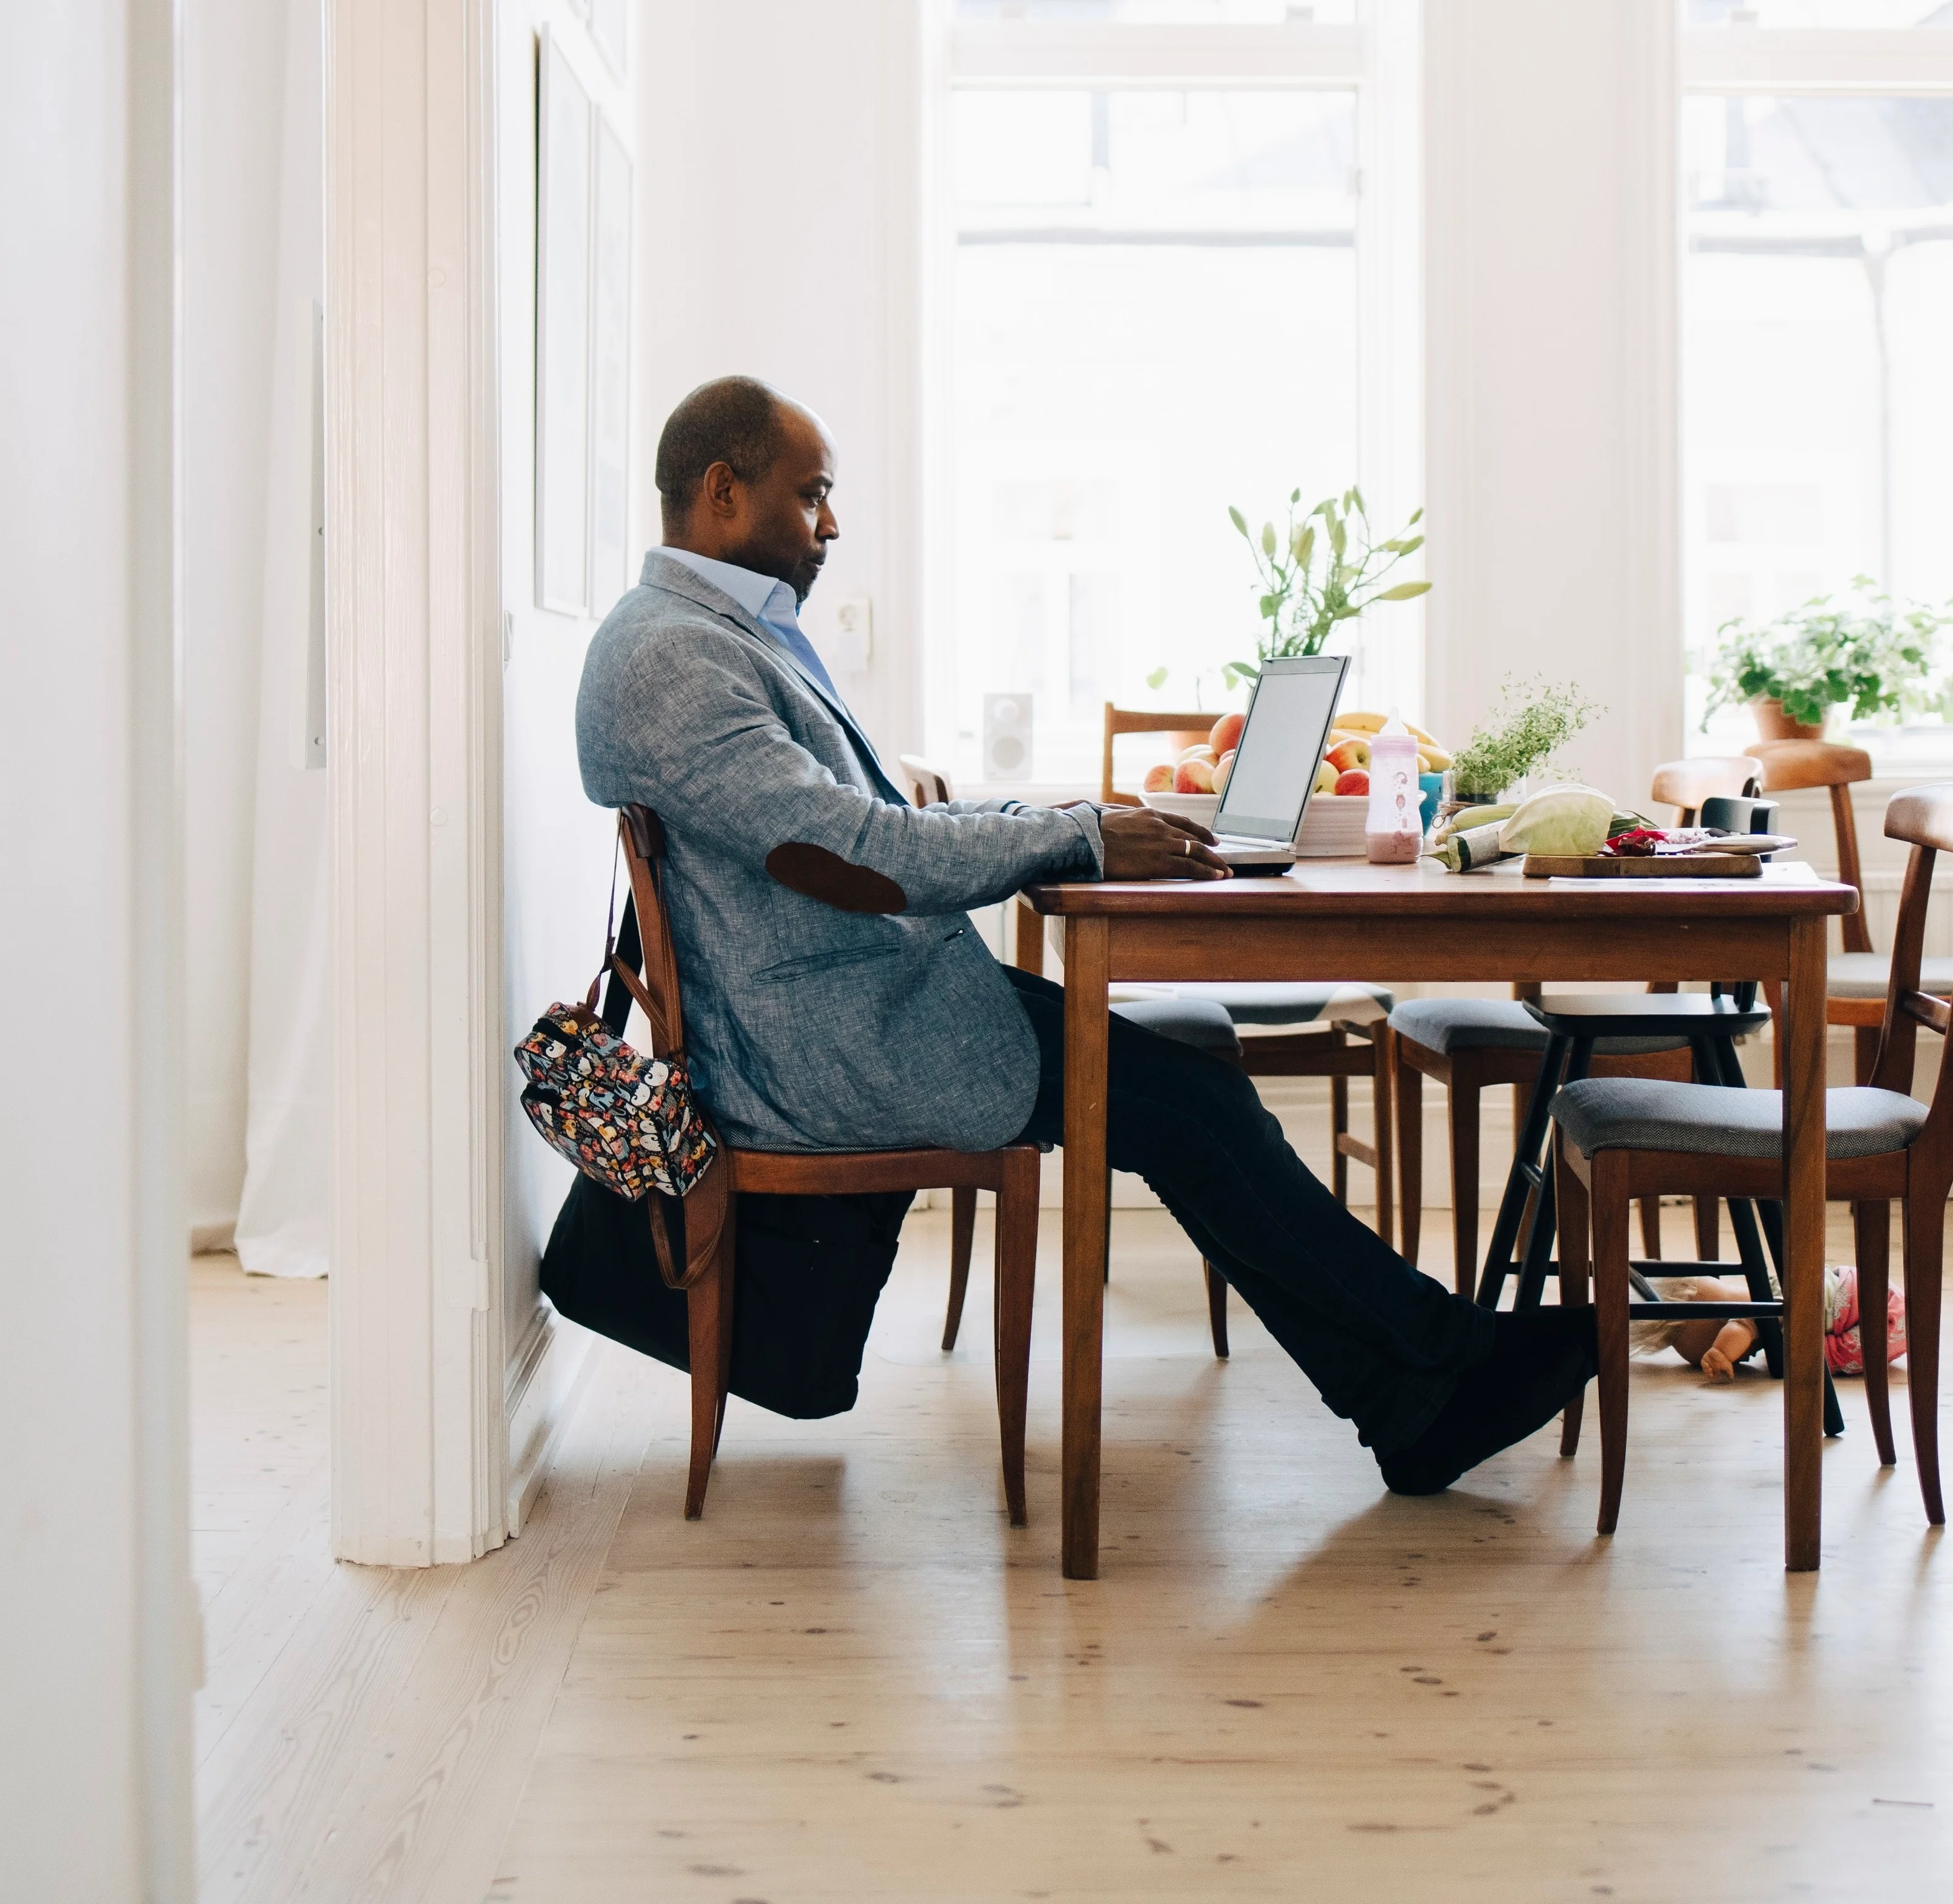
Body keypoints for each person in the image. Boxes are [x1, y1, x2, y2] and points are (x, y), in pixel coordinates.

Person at [574, 375, 1595, 1494]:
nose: (832, 526)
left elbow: (881, 832)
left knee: (1190, 1088)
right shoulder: (672, 656)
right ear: (723, 492)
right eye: (813, 496)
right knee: (1190, 1104)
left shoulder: (709, 636)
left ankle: (1420, 1384)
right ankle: (1425, 1389)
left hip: (867, 1001)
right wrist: (1078, 838)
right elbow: (865, 859)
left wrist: (1068, 824)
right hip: (836, 1043)